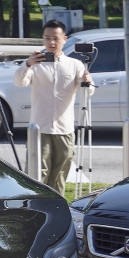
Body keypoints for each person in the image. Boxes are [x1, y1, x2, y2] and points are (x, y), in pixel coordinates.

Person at [13, 19, 94, 197]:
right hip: (39, 128)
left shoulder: (75, 65)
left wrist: (87, 83)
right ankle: (35, 207)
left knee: (59, 176)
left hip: (64, 128)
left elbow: (88, 93)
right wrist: (27, 64)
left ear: (64, 39)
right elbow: (19, 82)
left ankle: (57, 208)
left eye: (56, 38)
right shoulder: (36, 64)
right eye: (47, 38)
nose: (51, 43)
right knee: (36, 174)